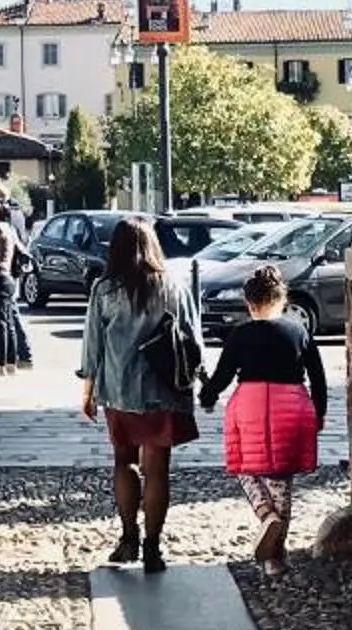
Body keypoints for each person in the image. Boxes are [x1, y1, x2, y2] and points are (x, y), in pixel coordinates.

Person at [78, 216, 202, 572]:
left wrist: (87, 390)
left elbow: (92, 346)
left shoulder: (105, 290)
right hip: (164, 389)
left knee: (123, 461)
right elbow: (192, 339)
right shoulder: (173, 285)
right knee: (158, 469)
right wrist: (202, 383)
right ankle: (153, 548)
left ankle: (128, 537)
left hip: (119, 389)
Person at [199, 264, 328, 571]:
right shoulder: (299, 331)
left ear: (248, 302)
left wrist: (207, 396)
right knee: (282, 478)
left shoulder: (240, 334)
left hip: (250, 406)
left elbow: (222, 376)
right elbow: (319, 379)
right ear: (282, 299)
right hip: (292, 404)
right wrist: (318, 413)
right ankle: (276, 556)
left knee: (246, 467)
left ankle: (264, 513)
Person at [0, 197, 35, 373]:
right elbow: (22, 250)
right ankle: (11, 364)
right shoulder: (9, 228)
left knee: (0, 322)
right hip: (8, 278)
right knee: (8, 321)